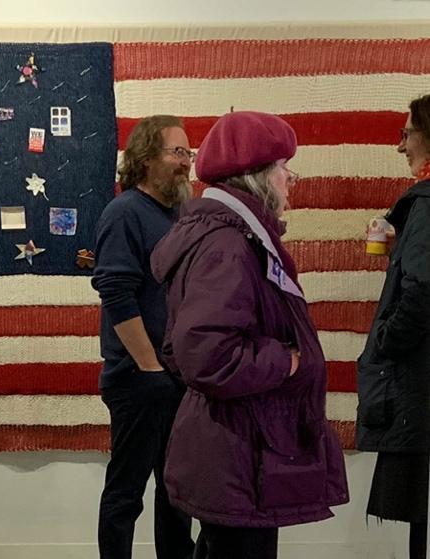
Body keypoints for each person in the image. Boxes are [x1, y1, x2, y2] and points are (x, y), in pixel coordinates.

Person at [150, 111, 349, 559]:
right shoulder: (229, 245)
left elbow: (179, 347)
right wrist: (287, 360)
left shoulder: (230, 238)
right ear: (257, 176)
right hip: (239, 453)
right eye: (282, 167)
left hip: (238, 448)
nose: (289, 179)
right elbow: (204, 355)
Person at [92, 115, 195, 559]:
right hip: (138, 380)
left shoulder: (184, 213)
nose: (186, 163)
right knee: (126, 493)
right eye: (177, 153)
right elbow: (116, 292)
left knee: (178, 492)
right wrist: (149, 367)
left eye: (189, 154)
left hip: (177, 378)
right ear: (146, 158)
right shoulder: (124, 213)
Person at [356, 94, 430, 559]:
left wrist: (387, 339)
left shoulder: (426, 205)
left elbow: (422, 289)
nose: (400, 145)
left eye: (407, 133)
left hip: (418, 384)